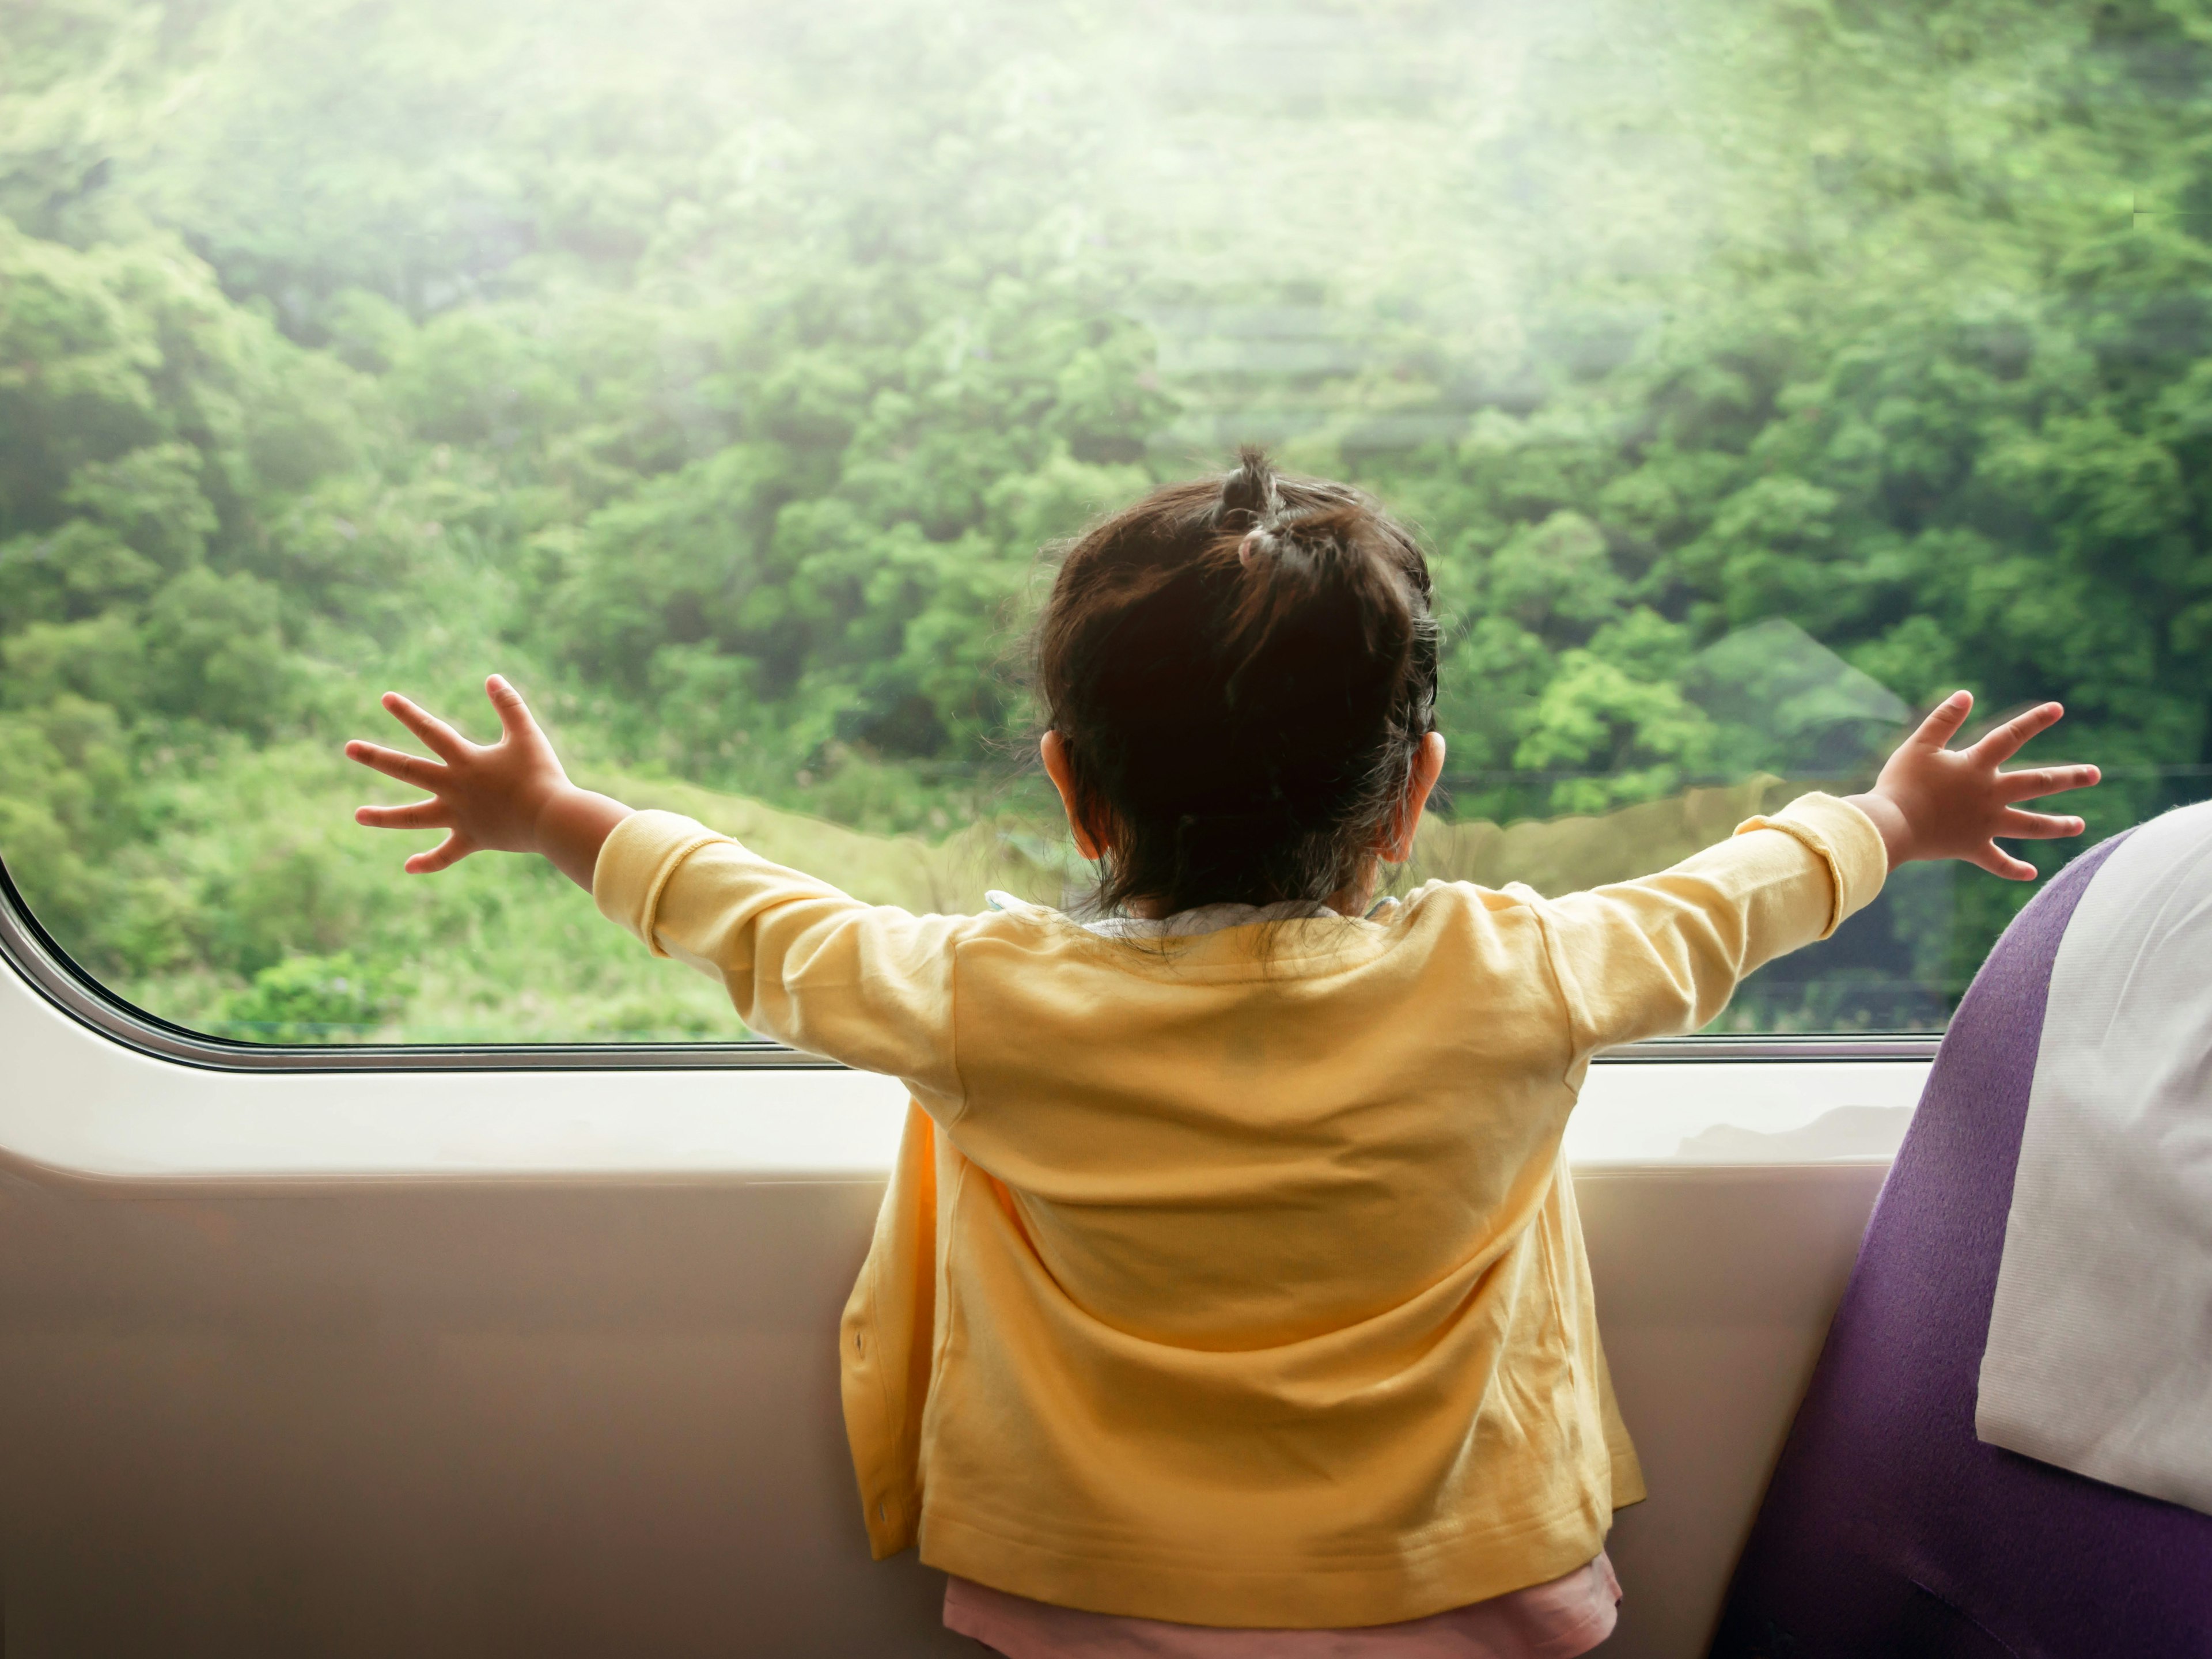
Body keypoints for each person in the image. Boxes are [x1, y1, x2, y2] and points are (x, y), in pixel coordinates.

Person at [346, 450, 2099, 1657]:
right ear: (1413, 793)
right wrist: (1890, 813)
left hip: (1088, 1599)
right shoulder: (1524, 975)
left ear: (1072, 787)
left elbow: (763, 925)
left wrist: (558, 813)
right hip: (1470, 1592)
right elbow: (1736, 898)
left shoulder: (991, 1004)